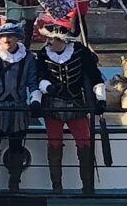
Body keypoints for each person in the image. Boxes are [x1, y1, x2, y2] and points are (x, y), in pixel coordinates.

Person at [33, 18, 105, 193]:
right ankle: (57, 187)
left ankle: (87, 187)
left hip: (76, 104)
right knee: (54, 145)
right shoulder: (43, 55)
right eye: (48, 39)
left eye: (52, 39)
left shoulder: (81, 52)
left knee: (85, 144)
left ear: (62, 40)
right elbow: (39, 77)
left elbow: (95, 77)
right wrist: (48, 88)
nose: (49, 42)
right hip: (52, 105)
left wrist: (100, 99)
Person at [0, 16, 38, 191]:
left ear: (18, 38)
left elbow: (33, 83)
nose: (6, 39)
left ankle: (14, 185)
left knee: (17, 148)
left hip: (19, 108)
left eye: (10, 36)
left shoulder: (28, 58)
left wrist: (35, 100)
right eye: (3, 36)